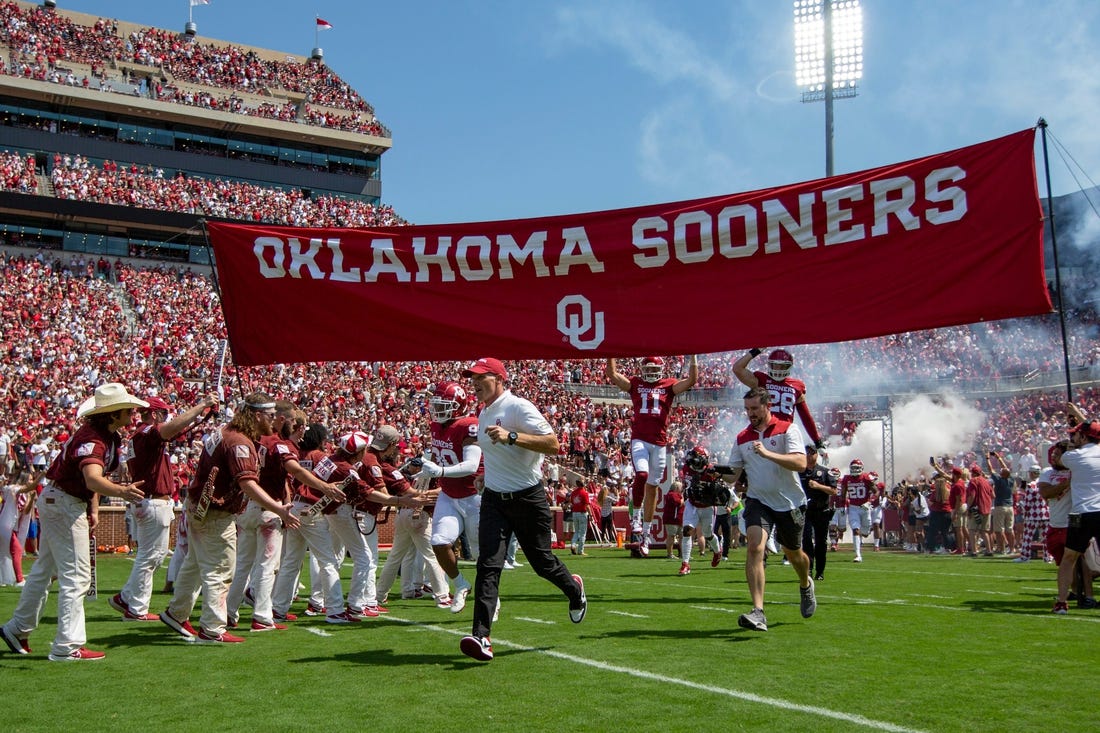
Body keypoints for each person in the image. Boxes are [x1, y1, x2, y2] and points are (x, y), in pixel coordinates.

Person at [0, 383, 147, 661]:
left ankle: (17, 628)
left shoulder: (104, 435)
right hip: (65, 504)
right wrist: (122, 492)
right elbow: (92, 477)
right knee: (76, 576)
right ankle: (67, 645)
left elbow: (88, 481)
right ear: (114, 413)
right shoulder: (95, 439)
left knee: (44, 570)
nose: (134, 412)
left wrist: (93, 507)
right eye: (129, 408)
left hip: (64, 501)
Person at [459, 357, 586, 662]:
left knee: (542, 562)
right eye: (472, 378)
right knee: (488, 565)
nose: (474, 383)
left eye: (481, 377)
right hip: (494, 498)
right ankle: (482, 636)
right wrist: (484, 476)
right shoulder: (485, 411)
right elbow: (497, 455)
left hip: (527, 498)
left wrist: (512, 436)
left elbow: (554, 444)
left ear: (499, 379)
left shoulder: (517, 407)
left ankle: (574, 589)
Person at [159, 393, 301, 644]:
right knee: (221, 568)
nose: (273, 422)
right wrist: (278, 508)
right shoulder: (239, 442)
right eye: (269, 416)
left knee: (193, 564)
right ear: (257, 416)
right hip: (215, 511)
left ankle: (176, 613)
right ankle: (212, 628)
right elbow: (247, 482)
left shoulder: (225, 432)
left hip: (199, 505)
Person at [225, 401, 340, 630]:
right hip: (269, 507)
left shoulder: (251, 439)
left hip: (247, 506)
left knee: (243, 566)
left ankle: (228, 612)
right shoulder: (278, 444)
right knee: (268, 565)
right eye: (292, 421)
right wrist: (325, 487)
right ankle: (262, 616)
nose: (295, 426)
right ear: (280, 419)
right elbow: (295, 470)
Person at [110, 394, 217, 622]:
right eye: (164, 415)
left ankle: (127, 597)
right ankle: (136, 608)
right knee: (151, 557)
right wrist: (202, 406)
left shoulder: (140, 436)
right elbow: (170, 429)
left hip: (149, 501)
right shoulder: (148, 432)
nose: (167, 419)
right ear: (156, 414)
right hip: (153, 500)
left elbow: (174, 432)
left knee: (152, 556)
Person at [724, 387, 816, 632]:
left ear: (768, 406)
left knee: (795, 554)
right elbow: (732, 475)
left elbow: (800, 462)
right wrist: (715, 472)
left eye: (754, 408)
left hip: (789, 502)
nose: (750, 414)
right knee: (755, 547)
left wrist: (768, 453)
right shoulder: (743, 436)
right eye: (747, 409)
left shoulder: (788, 428)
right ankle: (758, 611)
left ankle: (805, 584)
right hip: (758, 500)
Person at [605, 355, 697, 557]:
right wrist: (610, 351)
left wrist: (693, 357)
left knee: (653, 487)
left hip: (660, 443)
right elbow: (612, 374)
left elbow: (691, 381)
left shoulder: (668, 385)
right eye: (647, 368)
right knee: (642, 476)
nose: (650, 372)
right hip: (640, 439)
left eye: (653, 368)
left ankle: (645, 534)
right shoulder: (636, 384)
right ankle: (635, 518)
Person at [419, 380, 482, 613]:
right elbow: (440, 456)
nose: (437, 409)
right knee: (438, 542)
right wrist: (426, 464)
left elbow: (472, 464)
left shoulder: (469, 425)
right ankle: (460, 584)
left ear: (459, 405)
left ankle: (491, 600)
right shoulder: (437, 426)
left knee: (479, 555)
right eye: (435, 404)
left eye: (443, 405)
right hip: (449, 494)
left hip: (474, 496)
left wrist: (440, 471)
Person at [1052, 408, 1100, 614]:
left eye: (1076, 434)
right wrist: (1080, 416)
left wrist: (1070, 444)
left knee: (1069, 559)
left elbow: (1059, 461)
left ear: (1083, 436)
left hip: (1081, 513)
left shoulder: (1074, 456)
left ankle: (1062, 602)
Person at [731, 348, 824, 448]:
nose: (778, 369)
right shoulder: (762, 380)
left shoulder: (797, 386)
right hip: (763, 432)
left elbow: (805, 416)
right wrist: (756, 350)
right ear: (770, 365)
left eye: (782, 366)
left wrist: (817, 441)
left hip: (785, 433)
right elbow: (737, 368)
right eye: (775, 365)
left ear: (789, 366)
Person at [678, 446, 725, 576]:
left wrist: (712, 481)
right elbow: (685, 485)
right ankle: (685, 563)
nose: (692, 460)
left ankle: (717, 550)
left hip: (707, 506)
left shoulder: (710, 470)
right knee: (687, 530)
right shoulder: (687, 468)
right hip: (692, 504)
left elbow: (719, 490)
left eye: (695, 457)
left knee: (708, 534)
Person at [798, 444, 837, 581]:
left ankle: (820, 572)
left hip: (822, 511)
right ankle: (808, 569)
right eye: (806, 453)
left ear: (816, 455)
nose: (809, 456)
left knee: (821, 542)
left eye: (811, 453)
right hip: (805, 511)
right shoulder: (799, 472)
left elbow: (833, 490)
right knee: (806, 539)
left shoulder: (825, 472)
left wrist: (818, 486)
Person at [839, 459, 877, 562]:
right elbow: (843, 495)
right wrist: (842, 507)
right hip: (853, 508)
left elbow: (876, 492)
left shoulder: (866, 477)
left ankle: (866, 532)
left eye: (857, 467)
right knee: (855, 530)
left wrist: (870, 502)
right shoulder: (846, 479)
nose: (855, 470)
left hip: (865, 508)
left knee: (865, 532)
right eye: (853, 468)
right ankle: (858, 555)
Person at [987, 451, 1016, 554]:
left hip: (1000, 506)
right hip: (1010, 507)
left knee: (999, 530)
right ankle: (1012, 549)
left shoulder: (999, 480)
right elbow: (1005, 469)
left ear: (1002, 474)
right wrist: (998, 458)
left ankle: (1002, 548)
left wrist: (987, 459)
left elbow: (991, 470)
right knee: (1009, 529)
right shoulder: (1011, 479)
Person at [966, 463, 995, 556]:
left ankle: (974, 551)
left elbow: (972, 495)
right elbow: (993, 495)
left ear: (973, 473)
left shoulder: (973, 481)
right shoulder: (987, 481)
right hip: (987, 508)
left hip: (976, 509)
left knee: (972, 530)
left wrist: (968, 507)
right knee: (984, 531)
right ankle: (989, 550)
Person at [569, 479, 592, 556]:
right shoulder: (584, 493)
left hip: (574, 513)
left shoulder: (573, 492)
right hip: (582, 513)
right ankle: (580, 550)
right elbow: (587, 505)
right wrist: (591, 515)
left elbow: (572, 502)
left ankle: (573, 544)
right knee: (582, 533)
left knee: (576, 531)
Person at [662, 481, 684, 559]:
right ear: (677, 488)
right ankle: (670, 554)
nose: (682, 489)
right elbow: (678, 503)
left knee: (682, 536)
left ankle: (682, 553)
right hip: (672, 519)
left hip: (679, 519)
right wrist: (682, 499)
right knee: (671, 536)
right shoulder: (672, 495)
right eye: (681, 487)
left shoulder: (676, 495)